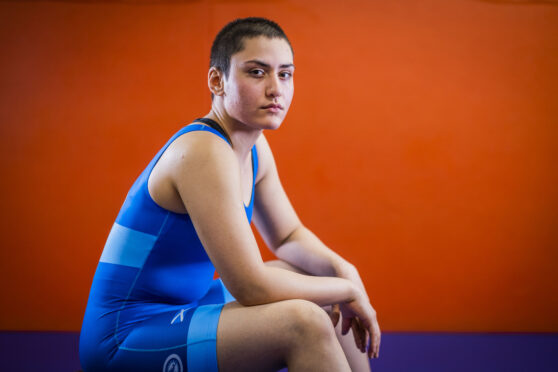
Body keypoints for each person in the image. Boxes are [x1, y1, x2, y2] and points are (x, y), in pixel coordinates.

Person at [79, 17, 381, 372]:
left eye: (285, 74)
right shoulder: (202, 151)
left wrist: (345, 272)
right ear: (217, 80)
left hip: (184, 308)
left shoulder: (254, 148)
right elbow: (251, 286)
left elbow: (287, 236)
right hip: (124, 335)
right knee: (304, 321)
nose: (276, 89)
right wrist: (346, 291)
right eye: (257, 72)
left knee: (315, 277)